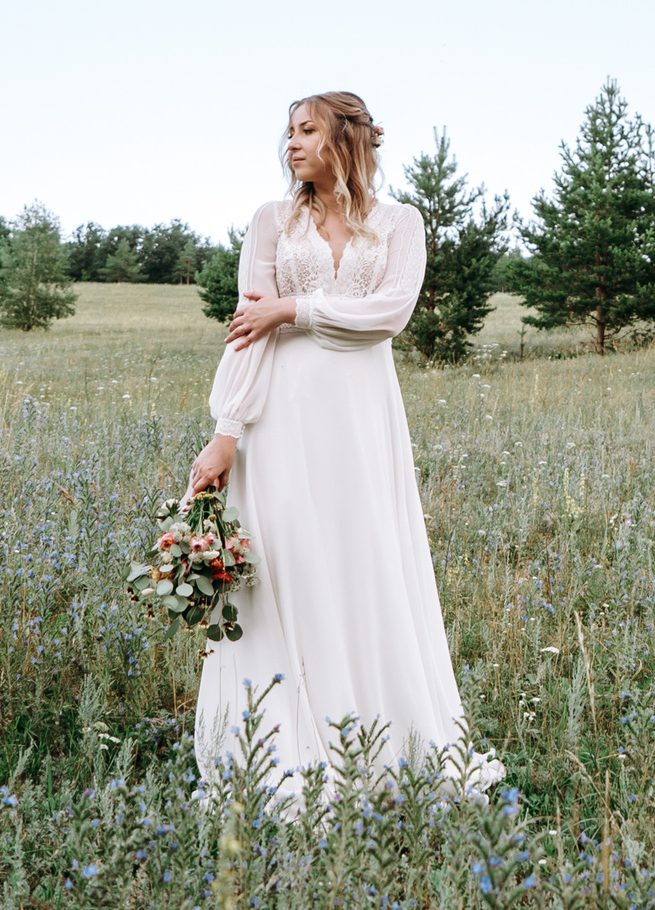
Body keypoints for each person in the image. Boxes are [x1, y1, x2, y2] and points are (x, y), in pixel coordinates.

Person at [185, 90, 497, 792]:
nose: (291, 144)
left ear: (345, 141)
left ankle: (378, 734)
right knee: (287, 565)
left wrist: (292, 309)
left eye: (307, 130)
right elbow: (246, 332)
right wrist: (226, 432)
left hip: (359, 418)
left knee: (362, 560)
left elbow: (387, 314)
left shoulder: (398, 224)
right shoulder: (271, 222)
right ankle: (282, 743)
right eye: (288, 133)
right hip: (279, 422)